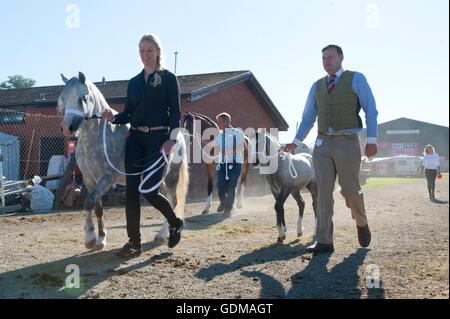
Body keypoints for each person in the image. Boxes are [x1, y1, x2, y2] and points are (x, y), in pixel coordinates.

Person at [284, 44, 378, 254]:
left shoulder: (357, 78)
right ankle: (324, 240)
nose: (327, 61)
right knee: (323, 192)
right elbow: (308, 117)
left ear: (341, 57)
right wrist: (296, 141)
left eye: (331, 57)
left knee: (349, 189)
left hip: (348, 141)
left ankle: (361, 222)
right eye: (323, 58)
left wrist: (371, 139)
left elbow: (371, 110)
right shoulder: (316, 86)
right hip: (322, 144)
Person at [102, 34, 183, 258]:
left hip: (159, 141)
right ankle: (134, 243)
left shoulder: (168, 79)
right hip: (135, 141)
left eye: (149, 50)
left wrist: (172, 139)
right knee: (130, 193)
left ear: (157, 51)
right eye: (141, 50)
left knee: (148, 191)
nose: (145, 54)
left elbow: (176, 112)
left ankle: (175, 222)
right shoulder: (134, 82)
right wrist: (113, 115)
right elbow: (128, 113)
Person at [206, 113, 245, 216]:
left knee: (232, 187)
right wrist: (198, 139)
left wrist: (227, 151)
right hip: (222, 165)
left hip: (235, 165)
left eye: (219, 122)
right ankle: (223, 202)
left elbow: (242, 147)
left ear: (225, 122)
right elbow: (212, 144)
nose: (218, 125)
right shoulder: (220, 135)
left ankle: (228, 210)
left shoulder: (237, 133)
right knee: (220, 185)